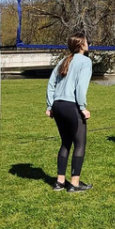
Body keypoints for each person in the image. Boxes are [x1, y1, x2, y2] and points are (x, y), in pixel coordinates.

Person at [46, 35, 93, 193]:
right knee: (79, 144)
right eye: (86, 41)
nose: (88, 44)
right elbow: (81, 88)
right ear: (81, 45)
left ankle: (59, 182)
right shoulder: (85, 61)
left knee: (66, 143)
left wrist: (50, 105)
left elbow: (51, 84)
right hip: (71, 105)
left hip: (58, 106)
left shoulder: (63, 60)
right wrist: (82, 107)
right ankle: (74, 184)